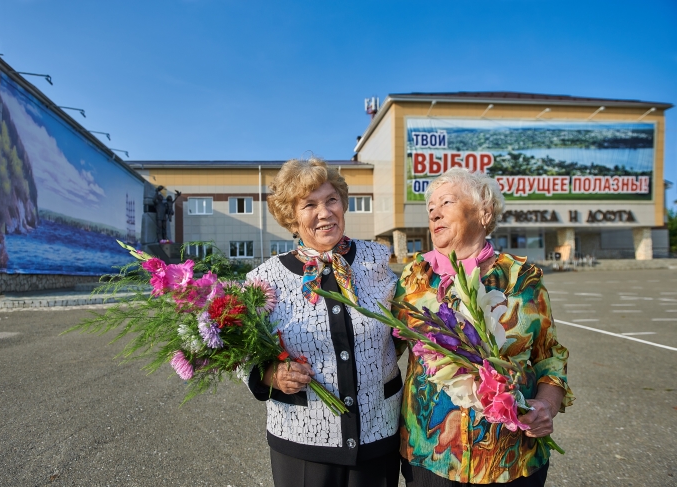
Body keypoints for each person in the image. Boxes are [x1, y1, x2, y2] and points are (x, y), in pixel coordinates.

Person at [396, 168, 574, 486]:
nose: (434, 213)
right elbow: (382, 347)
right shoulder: (414, 278)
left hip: (512, 458)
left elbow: (550, 356)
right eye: (431, 207)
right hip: (432, 456)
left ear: (484, 212)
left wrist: (547, 405)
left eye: (446, 202)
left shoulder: (523, 279)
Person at [244, 157, 402, 487]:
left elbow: (405, 325)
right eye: (309, 205)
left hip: (378, 432)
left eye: (331, 200)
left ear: (343, 204)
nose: (325, 212)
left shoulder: (376, 259)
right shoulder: (265, 279)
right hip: (302, 442)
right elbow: (238, 350)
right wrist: (272, 375)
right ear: (291, 217)